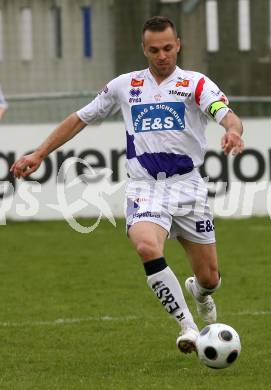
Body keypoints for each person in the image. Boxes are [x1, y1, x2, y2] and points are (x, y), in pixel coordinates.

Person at [11, 16, 244, 354]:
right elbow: (80, 118)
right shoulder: (125, 85)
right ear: (144, 49)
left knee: (209, 277)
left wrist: (233, 131)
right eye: (154, 50)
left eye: (167, 48)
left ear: (178, 44)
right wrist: (40, 152)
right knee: (147, 247)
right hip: (144, 188)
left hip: (188, 187)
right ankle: (188, 326)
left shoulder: (196, 84)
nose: (162, 55)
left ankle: (200, 292)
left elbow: (227, 115)